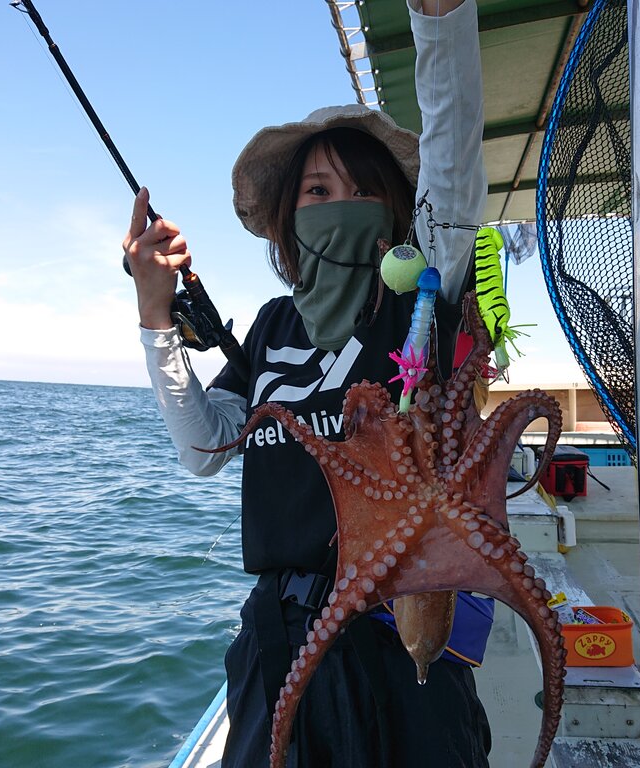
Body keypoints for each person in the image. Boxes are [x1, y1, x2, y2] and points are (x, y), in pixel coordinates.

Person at [123, 1, 490, 765]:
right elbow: (205, 445)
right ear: (289, 216)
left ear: (394, 208)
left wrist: (441, 24)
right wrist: (155, 315)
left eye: (358, 190)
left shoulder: (420, 302)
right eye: (315, 194)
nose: (334, 207)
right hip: (283, 638)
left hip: (405, 629)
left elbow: (453, 181)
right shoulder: (271, 325)